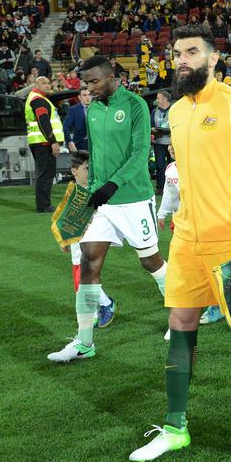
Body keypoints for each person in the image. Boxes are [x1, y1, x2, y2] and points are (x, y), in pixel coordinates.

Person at [129, 23, 231, 462]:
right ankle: (175, 427)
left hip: (230, 238)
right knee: (181, 323)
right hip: (188, 239)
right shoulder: (176, 111)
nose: (182, 60)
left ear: (213, 58)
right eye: (177, 53)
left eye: (191, 52)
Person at [48, 56, 168, 364]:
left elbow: (140, 153)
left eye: (94, 82)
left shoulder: (135, 105)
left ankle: (181, 315)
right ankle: (84, 341)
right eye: (86, 83)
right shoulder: (93, 110)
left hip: (134, 198)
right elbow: (97, 154)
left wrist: (112, 185)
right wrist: (91, 190)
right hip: (102, 200)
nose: (89, 89)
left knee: (151, 262)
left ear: (112, 77)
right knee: (88, 262)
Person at [62, 151, 116, 327]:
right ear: (74, 171)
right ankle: (102, 306)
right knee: (80, 281)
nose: (90, 172)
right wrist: (65, 239)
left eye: (91, 168)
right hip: (76, 243)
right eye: (86, 168)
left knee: (84, 278)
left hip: (90, 243)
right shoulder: (73, 191)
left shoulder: (97, 190)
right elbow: (67, 215)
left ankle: (99, 309)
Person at [151, 91, 172, 193]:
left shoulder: (174, 110)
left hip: (172, 143)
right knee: (160, 166)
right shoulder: (154, 111)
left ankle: (173, 187)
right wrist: (153, 132)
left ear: (165, 99)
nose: (157, 100)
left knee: (172, 166)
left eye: (158, 98)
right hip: (158, 143)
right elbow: (151, 125)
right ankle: (160, 188)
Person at [63, 89, 91, 153]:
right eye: (84, 95)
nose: (87, 97)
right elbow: (65, 127)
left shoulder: (97, 109)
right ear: (79, 97)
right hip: (80, 143)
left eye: (89, 95)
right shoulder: (73, 110)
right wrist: (69, 141)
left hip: (95, 143)